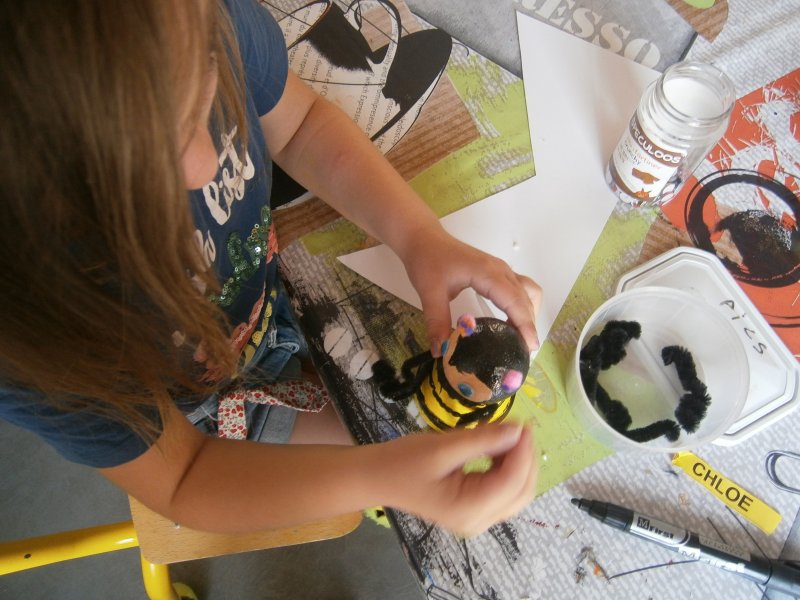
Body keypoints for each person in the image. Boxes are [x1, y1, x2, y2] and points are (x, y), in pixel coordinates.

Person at [0, 0, 542, 538]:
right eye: (138, 175)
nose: (206, 165)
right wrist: (379, 478)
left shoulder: (190, 22)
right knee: (393, 438)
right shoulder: (26, 341)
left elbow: (302, 126)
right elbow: (184, 478)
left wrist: (420, 237)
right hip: (205, 415)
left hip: (267, 299)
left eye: (201, 98)